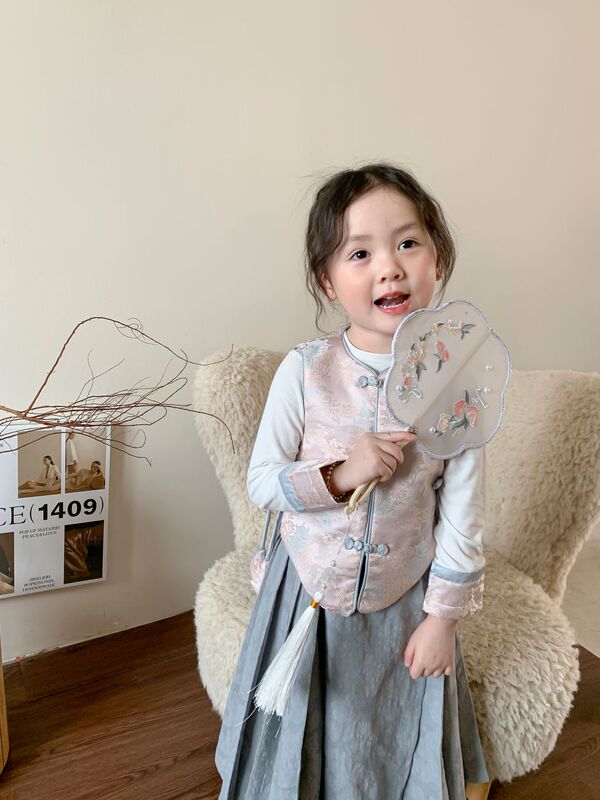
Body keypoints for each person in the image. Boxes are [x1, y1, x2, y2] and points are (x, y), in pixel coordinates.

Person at [215, 163, 490, 799]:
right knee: (302, 727)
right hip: (306, 589)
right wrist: (343, 474)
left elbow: (464, 514)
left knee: (384, 725)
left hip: (404, 597)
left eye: (407, 243)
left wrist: (442, 621)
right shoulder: (304, 371)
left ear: (437, 261)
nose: (389, 268)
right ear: (328, 281)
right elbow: (263, 483)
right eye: (360, 253)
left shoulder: (458, 391)